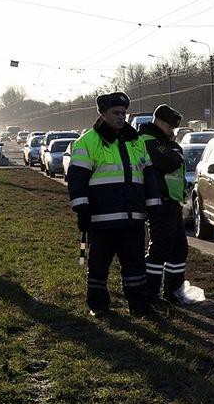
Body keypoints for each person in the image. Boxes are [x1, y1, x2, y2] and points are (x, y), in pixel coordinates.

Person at [67, 92, 161, 317]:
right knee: (99, 266)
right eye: (116, 113)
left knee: (135, 267)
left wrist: (153, 204)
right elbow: (77, 179)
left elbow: (148, 175)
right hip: (102, 219)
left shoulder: (135, 141)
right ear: (103, 113)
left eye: (124, 113)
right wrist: (82, 209)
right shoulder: (88, 141)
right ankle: (98, 306)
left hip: (133, 218)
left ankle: (139, 306)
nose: (121, 117)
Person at [138, 105, 189, 304]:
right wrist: (173, 147)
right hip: (158, 203)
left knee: (178, 249)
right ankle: (151, 294)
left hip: (170, 203)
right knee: (159, 249)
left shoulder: (159, 140)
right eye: (170, 127)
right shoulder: (149, 141)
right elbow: (173, 161)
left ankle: (173, 291)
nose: (173, 132)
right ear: (159, 122)